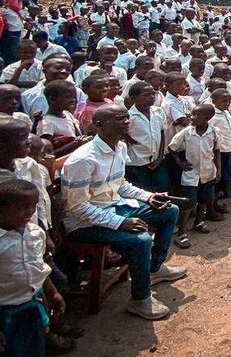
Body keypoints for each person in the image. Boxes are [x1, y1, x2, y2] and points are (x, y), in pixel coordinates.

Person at [59, 103, 186, 320]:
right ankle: (140, 299)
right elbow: (78, 208)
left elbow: (120, 184)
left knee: (169, 211)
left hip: (112, 207)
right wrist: (120, 223)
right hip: (84, 224)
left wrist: (149, 197)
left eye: (127, 118)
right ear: (99, 125)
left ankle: (154, 269)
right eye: (119, 119)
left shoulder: (120, 147)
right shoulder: (83, 160)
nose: (126, 122)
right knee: (141, 239)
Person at [0, 179, 65, 357]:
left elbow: (38, 268)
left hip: (31, 308)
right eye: (23, 207)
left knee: (35, 348)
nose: (30, 212)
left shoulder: (35, 233)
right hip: (3, 315)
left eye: (33, 205)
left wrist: (52, 293)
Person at [167, 104, 223, 249]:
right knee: (188, 204)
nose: (191, 117)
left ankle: (198, 222)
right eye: (192, 114)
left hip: (208, 171)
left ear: (207, 118)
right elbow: (172, 148)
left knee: (204, 198)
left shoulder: (214, 132)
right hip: (191, 173)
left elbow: (217, 151)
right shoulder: (186, 132)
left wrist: (218, 169)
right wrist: (180, 162)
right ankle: (181, 233)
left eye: (196, 115)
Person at [0, 0, 26, 66]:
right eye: (17, 0)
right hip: (10, 34)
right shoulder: (4, 10)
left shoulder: (15, 11)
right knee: (10, 53)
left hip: (18, 33)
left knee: (16, 52)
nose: (19, 2)